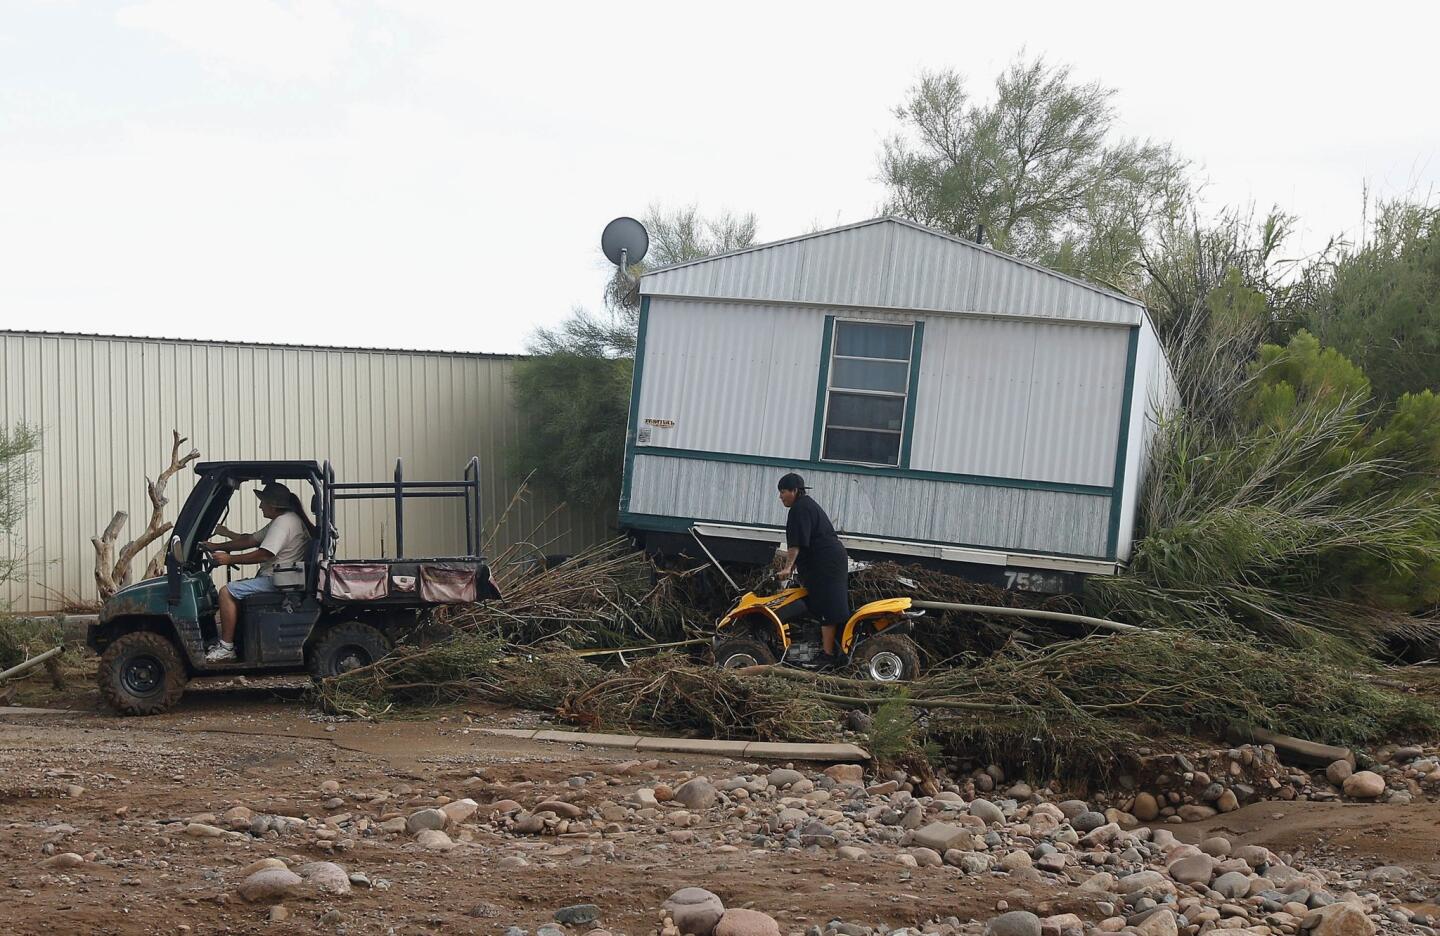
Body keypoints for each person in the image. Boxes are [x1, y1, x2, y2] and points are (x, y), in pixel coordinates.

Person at [200, 482, 314, 662]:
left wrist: (230, 559)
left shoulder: (283, 523)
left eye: (263, 502)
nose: (260, 505)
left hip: (277, 580)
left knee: (226, 592)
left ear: (274, 505)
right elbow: (249, 540)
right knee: (234, 589)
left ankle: (226, 647)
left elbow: (263, 554)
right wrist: (216, 546)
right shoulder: (283, 520)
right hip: (279, 577)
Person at [775, 472, 850, 667]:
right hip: (825, 560)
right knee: (818, 604)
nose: (781, 496)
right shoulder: (806, 506)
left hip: (826, 562)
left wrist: (788, 567)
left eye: (783, 491)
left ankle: (827, 655)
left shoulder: (800, 509)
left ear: (794, 491)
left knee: (828, 606)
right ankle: (822, 649)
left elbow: (796, 544)